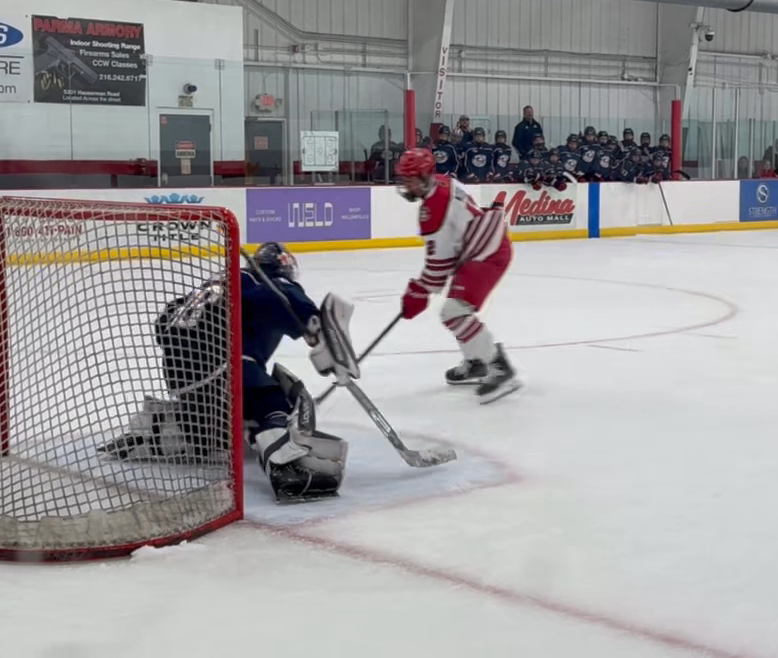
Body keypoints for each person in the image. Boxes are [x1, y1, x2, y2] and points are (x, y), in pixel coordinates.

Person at [98, 242, 348, 501]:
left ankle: (151, 430)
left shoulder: (222, 282)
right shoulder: (269, 283)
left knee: (217, 430)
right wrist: (318, 333)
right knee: (274, 401)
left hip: (179, 374)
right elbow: (296, 306)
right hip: (224, 364)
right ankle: (284, 467)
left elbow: (163, 325)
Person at [393, 148, 521, 404]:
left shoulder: (433, 209)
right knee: (454, 310)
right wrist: (424, 288)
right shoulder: (443, 181)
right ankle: (476, 362)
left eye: (410, 179)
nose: (406, 185)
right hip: (481, 247)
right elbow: (450, 247)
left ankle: (499, 367)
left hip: (487, 254)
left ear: (424, 176)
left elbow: (439, 264)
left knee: (453, 312)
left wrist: (419, 290)